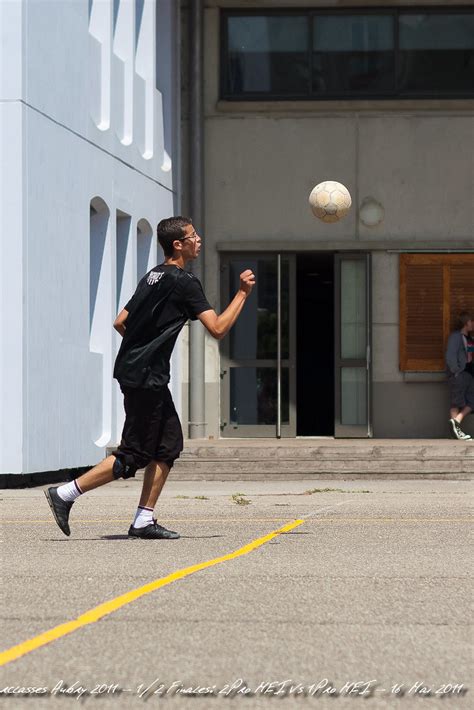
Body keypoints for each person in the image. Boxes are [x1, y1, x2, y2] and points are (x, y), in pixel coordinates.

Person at [44, 217, 255, 538]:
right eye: (193, 236)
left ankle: (143, 519)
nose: (199, 240)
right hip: (145, 376)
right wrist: (242, 293)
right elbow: (218, 328)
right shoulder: (185, 282)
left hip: (138, 371)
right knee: (135, 454)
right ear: (178, 245)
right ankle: (65, 493)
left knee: (168, 445)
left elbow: (120, 322)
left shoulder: (153, 276)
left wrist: (144, 346)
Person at [445, 311, 474, 441]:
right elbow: (450, 356)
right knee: (456, 402)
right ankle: (456, 433)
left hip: (469, 375)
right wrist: (456, 371)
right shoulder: (455, 337)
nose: (473, 324)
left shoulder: (470, 338)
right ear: (466, 323)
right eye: (471, 321)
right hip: (459, 374)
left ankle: (456, 421)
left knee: (472, 401)